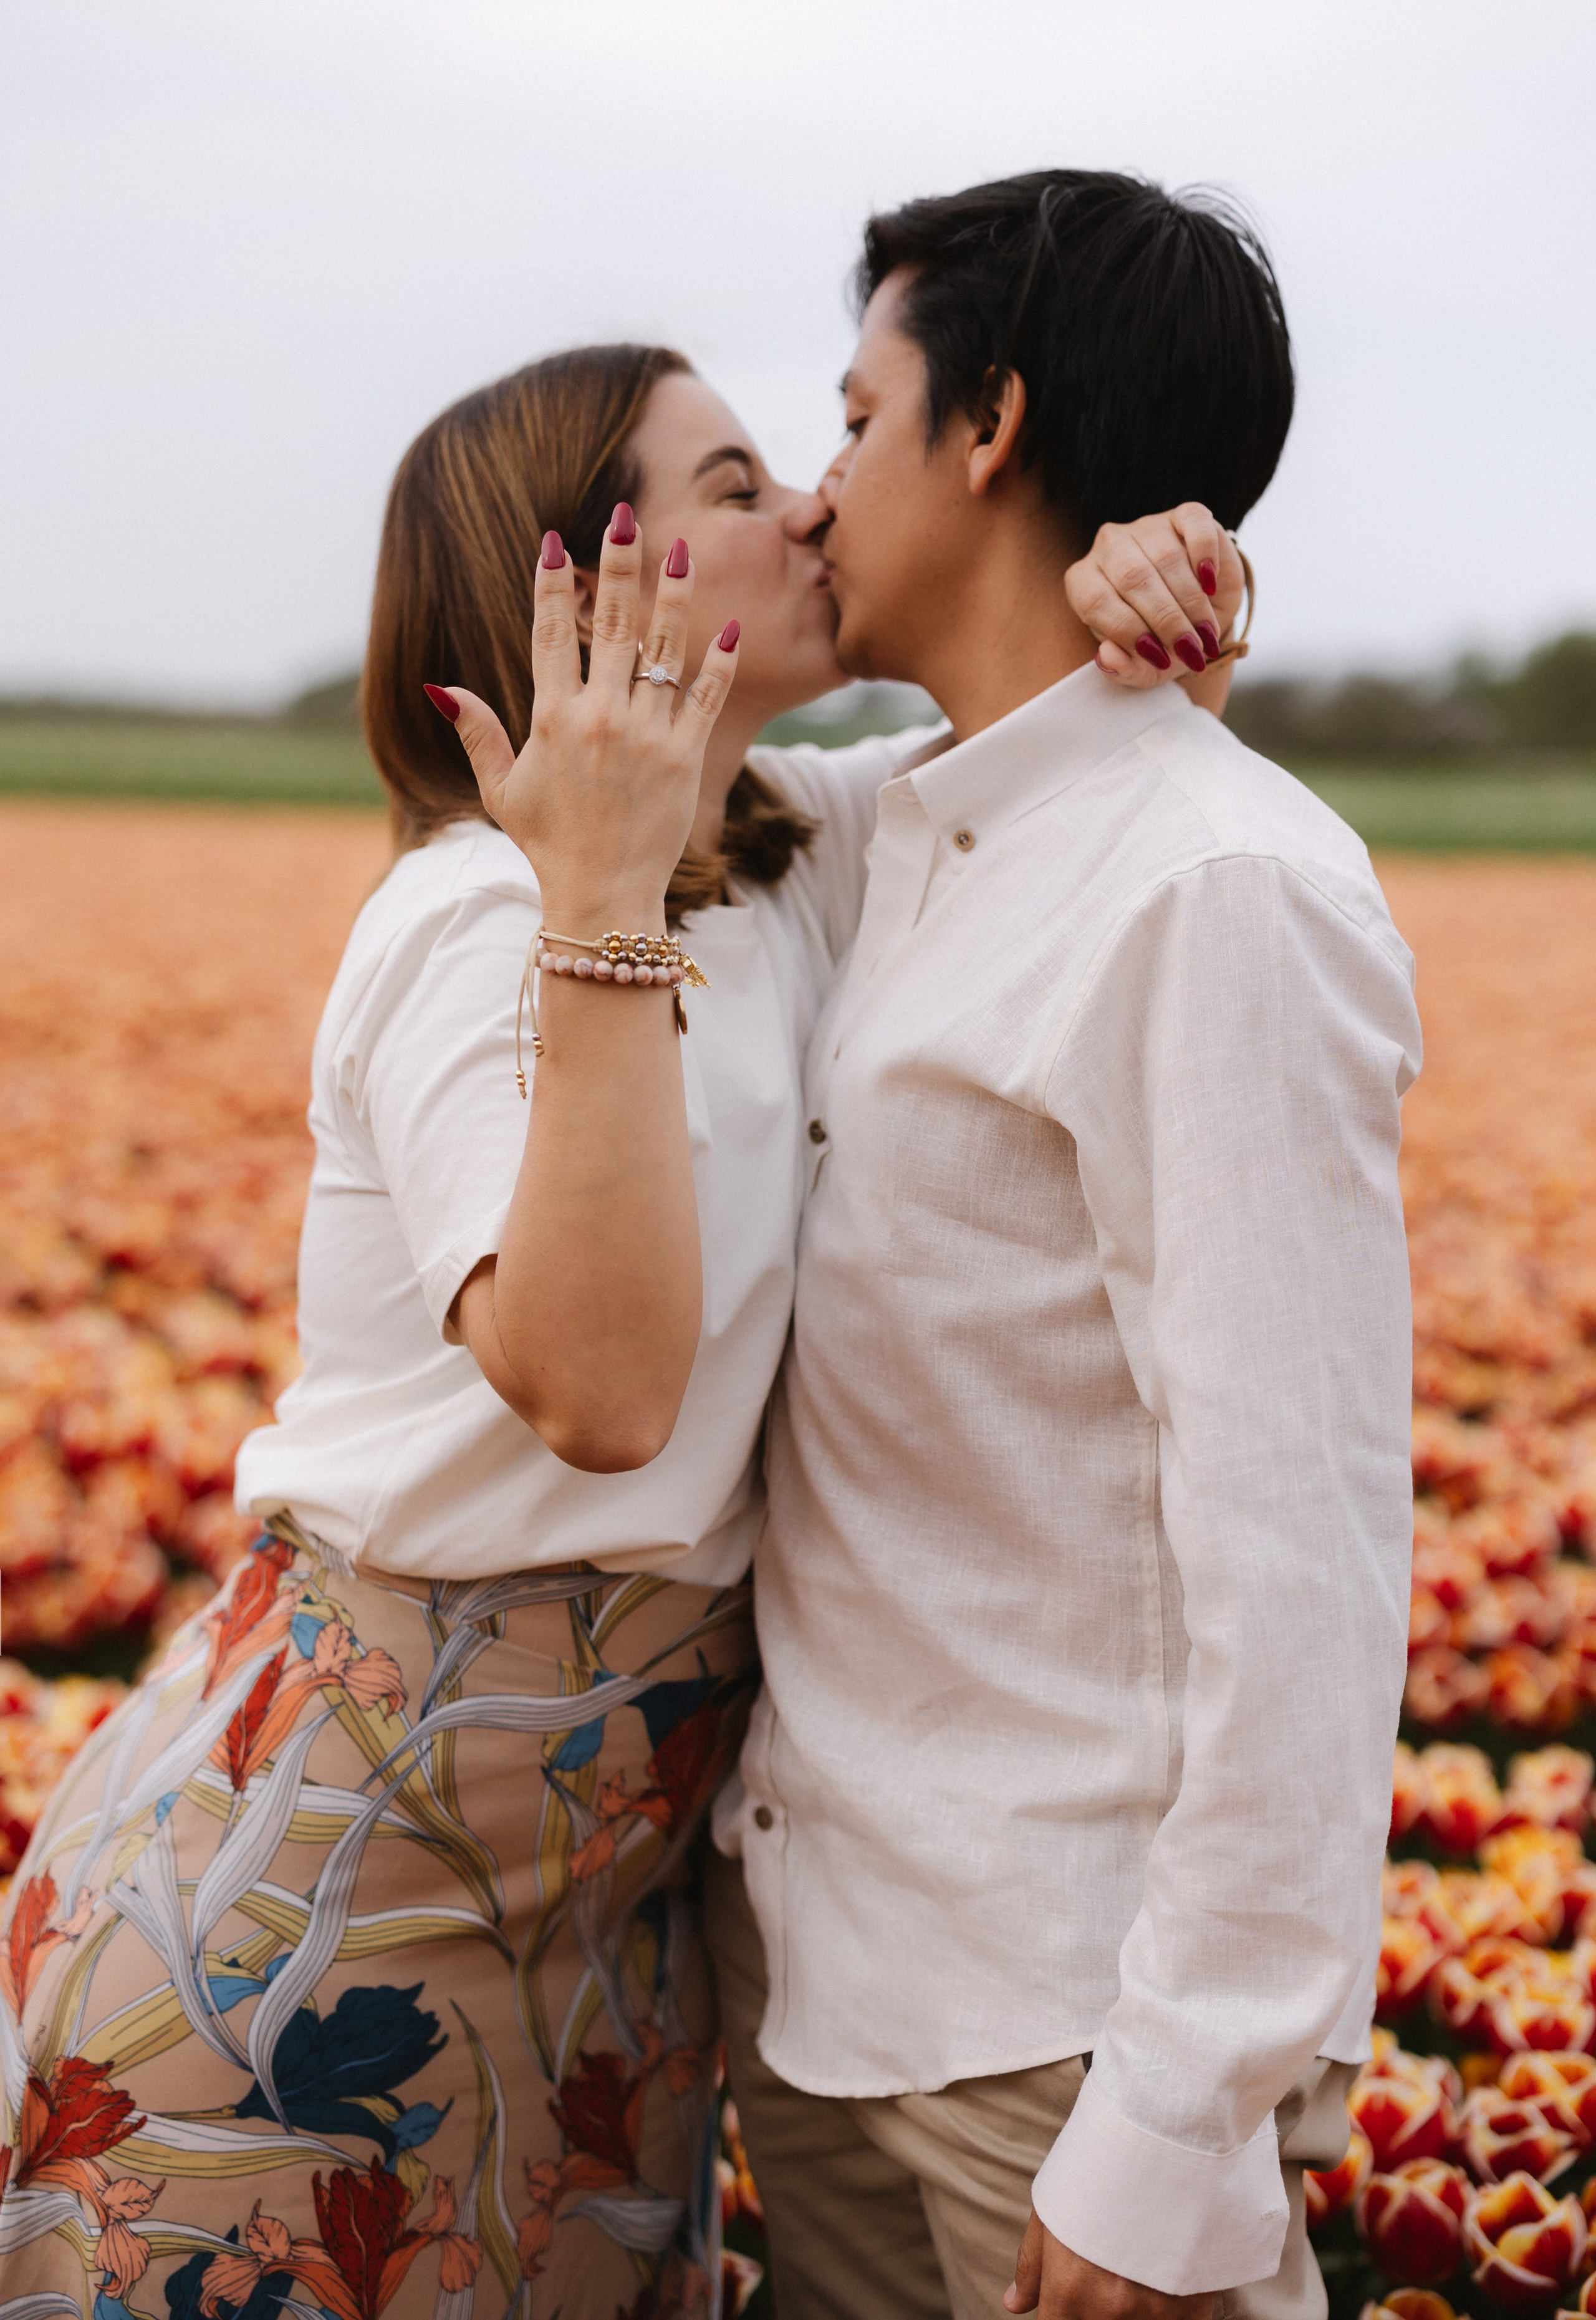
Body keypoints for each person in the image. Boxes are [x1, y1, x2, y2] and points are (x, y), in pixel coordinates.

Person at [0, 333, 1240, 2319]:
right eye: (741, 483)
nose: (812, 504)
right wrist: (595, 887)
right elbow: (598, 1383)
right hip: (319, 1903)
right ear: (585, 585)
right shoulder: (468, 924)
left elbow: (1058, 769)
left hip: (606, 1920)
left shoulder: (794, 851)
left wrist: (1137, 582)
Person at [705, 171, 1421, 2320]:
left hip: (1061, 2050)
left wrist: (1182, 2117)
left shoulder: (1212, 889)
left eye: (850, 418)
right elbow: (669, 790)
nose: (819, 496)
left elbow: (1299, 1538)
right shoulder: (899, 839)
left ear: (992, 421)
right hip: (828, 2000)